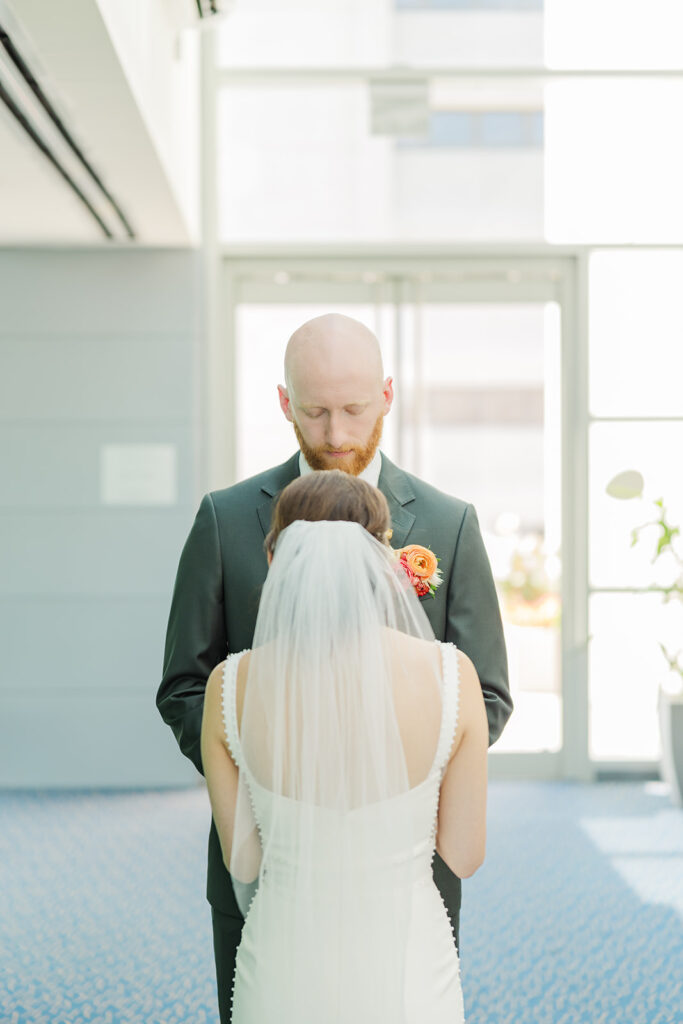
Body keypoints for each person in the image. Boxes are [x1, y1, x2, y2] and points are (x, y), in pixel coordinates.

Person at [156, 312, 511, 1024]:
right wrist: (271, 760)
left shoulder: (450, 523)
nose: (337, 434)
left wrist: (384, 770)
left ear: (386, 394)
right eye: (315, 411)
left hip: (404, 866)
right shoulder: (225, 520)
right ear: (284, 402)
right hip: (272, 858)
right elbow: (184, 685)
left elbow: (488, 695)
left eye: (353, 410)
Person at [200, 470, 489, 1023]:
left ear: (276, 560)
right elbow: (463, 854)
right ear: (383, 558)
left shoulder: (230, 686)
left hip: (285, 964)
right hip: (408, 967)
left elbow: (245, 860)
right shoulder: (452, 675)